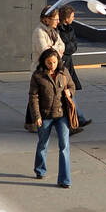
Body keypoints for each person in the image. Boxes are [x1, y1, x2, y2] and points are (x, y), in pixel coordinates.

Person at [28, 48, 73, 187]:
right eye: (49, 62)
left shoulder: (63, 72)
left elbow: (72, 86)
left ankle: (65, 180)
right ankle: (40, 169)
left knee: (64, 146)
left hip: (62, 115)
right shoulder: (38, 76)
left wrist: (69, 92)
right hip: (45, 115)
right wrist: (37, 116)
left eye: (54, 62)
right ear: (44, 62)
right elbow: (33, 97)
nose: (52, 65)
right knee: (43, 144)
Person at [58, 6, 91, 126]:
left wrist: (66, 47)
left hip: (68, 64)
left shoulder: (70, 29)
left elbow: (73, 46)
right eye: (72, 16)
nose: (74, 18)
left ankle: (78, 118)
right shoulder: (57, 30)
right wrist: (67, 47)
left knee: (69, 92)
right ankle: (77, 119)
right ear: (66, 18)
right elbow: (62, 47)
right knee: (67, 92)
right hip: (61, 65)